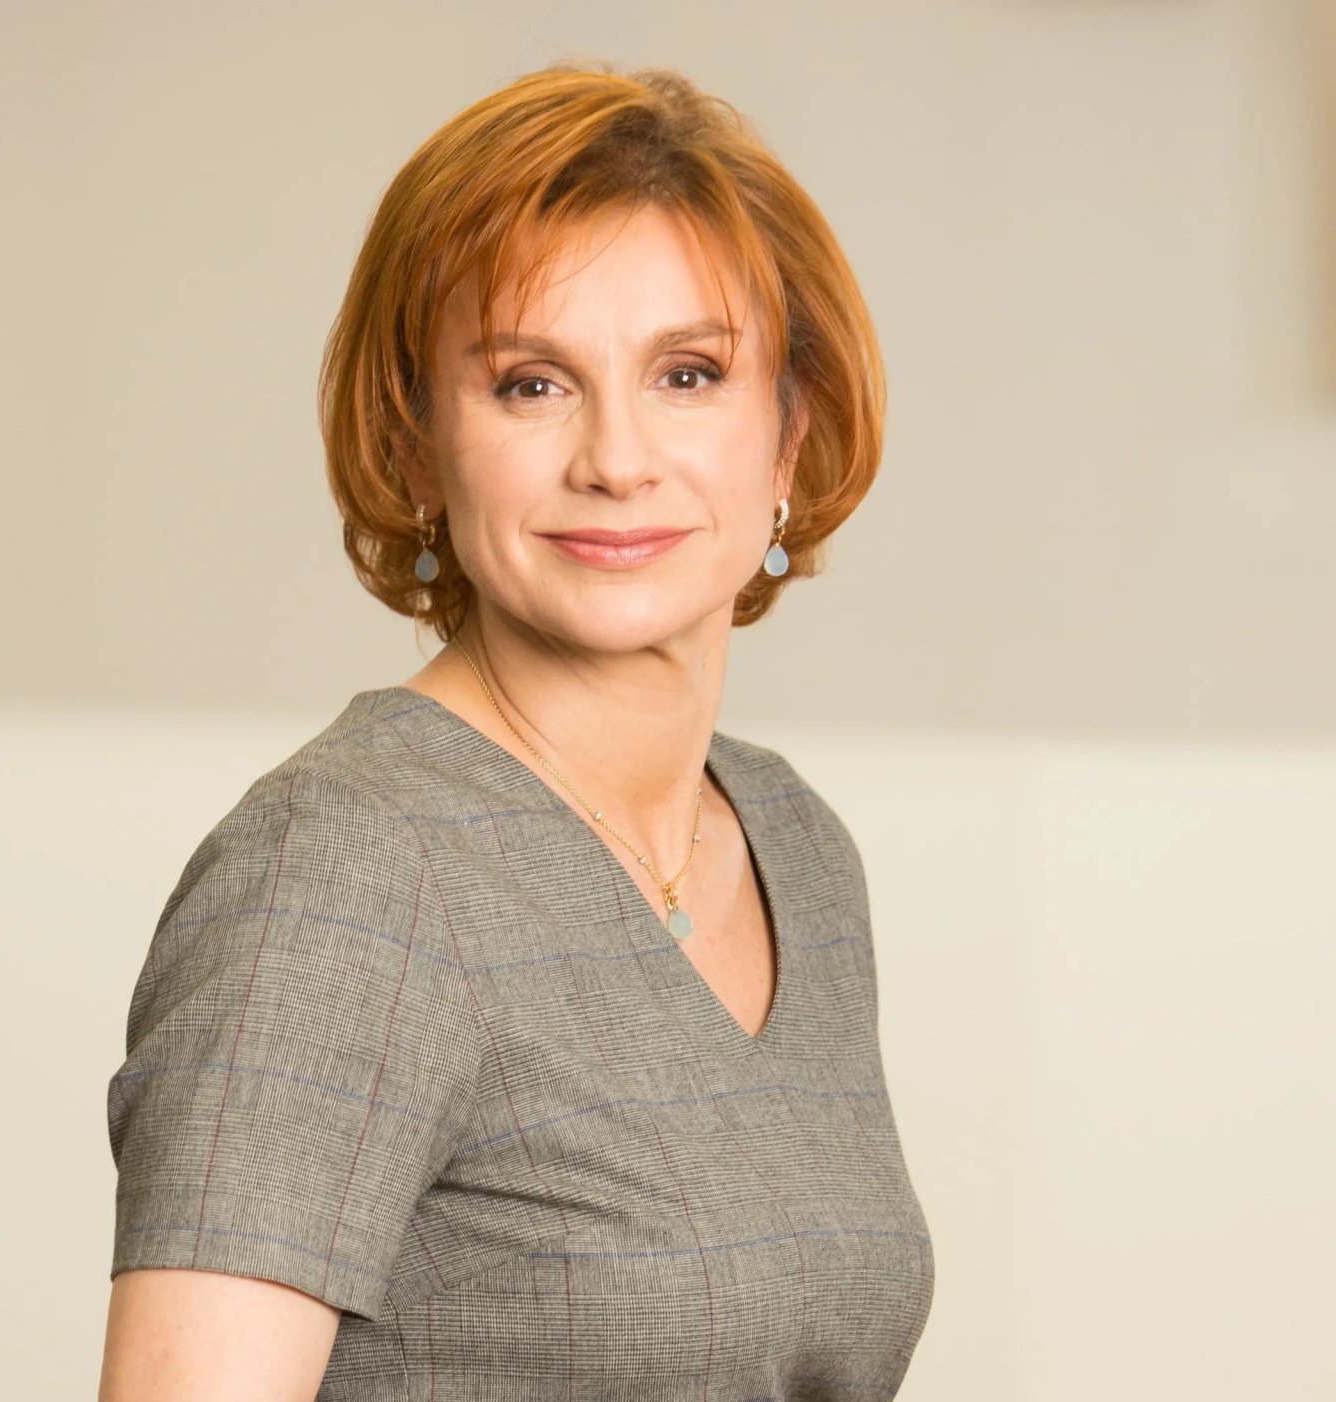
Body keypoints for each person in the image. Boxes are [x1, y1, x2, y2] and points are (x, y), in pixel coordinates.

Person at [97, 63, 933, 1401]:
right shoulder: (344, 870)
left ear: (788, 439)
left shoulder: (795, 846)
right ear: (417, 443)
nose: (617, 458)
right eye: (533, 384)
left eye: (690, 374)